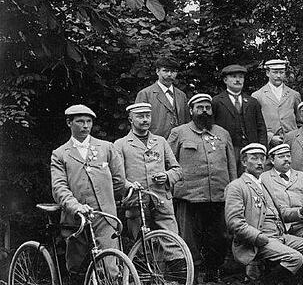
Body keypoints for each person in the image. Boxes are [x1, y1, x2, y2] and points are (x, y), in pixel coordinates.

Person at [168, 93, 237, 281]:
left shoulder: (222, 133)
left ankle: (213, 272)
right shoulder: (179, 133)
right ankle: (194, 273)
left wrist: (232, 190)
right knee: (190, 238)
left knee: (219, 236)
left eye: (207, 107)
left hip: (218, 195)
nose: (204, 111)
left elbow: (231, 164)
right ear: (191, 111)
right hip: (189, 196)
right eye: (199, 107)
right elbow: (169, 163)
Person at [51, 105, 126, 275]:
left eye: (89, 121)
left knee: (109, 267)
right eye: (80, 121)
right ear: (69, 123)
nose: (85, 126)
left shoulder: (106, 148)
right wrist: (76, 207)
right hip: (76, 218)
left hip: (104, 216)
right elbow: (59, 187)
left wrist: (107, 198)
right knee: (76, 267)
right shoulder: (60, 153)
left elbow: (119, 181)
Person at [225, 143, 303, 284]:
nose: (260, 162)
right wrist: (259, 237)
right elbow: (234, 223)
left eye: (262, 158)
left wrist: (300, 211)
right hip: (258, 240)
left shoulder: (264, 184)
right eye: (254, 158)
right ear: (243, 161)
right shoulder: (237, 186)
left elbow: (282, 213)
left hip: (279, 235)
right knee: (295, 258)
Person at [113, 103, 182, 243]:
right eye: (140, 116)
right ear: (130, 119)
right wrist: (130, 185)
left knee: (172, 241)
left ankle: (179, 264)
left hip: (162, 200)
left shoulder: (161, 142)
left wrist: (167, 176)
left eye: (148, 116)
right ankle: (145, 264)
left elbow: (177, 170)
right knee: (142, 245)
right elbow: (117, 177)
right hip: (136, 202)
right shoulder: (121, 144)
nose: (145, 120)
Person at [212, 64, 268, 170]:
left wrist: (262, 148)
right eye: (234, 77)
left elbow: (261, 127)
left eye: (241, 77)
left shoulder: (252, 102)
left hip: (250, 149)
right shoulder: (217, 101)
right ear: (225, 80)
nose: (238, 80)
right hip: (228, 149)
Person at [260, 142, 303, 237]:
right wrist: (300, 211)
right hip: (279, 228)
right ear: (272, 160)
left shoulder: (302, 176)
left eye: (288, 156)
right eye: (281, 157)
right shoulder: (264, 178)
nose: (286, 159)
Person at [135, 57, 190, 139]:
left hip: (179, 142)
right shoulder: (145, 94)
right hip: (154, 143)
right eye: (165, 71)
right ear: (157, 71)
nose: (169, 74)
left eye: (173, 71)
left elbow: (187, 122)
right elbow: (138, 123)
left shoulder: (181, 95)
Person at [251, 59, 302, 144]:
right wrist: (270, 138)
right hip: (270, 145)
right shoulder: (257, 96)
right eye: (275, 72)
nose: (278, 76)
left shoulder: (294, 95)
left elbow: (300, 122)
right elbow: (254, 125)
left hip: (292, 142)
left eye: (281, 72)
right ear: (268, 73)